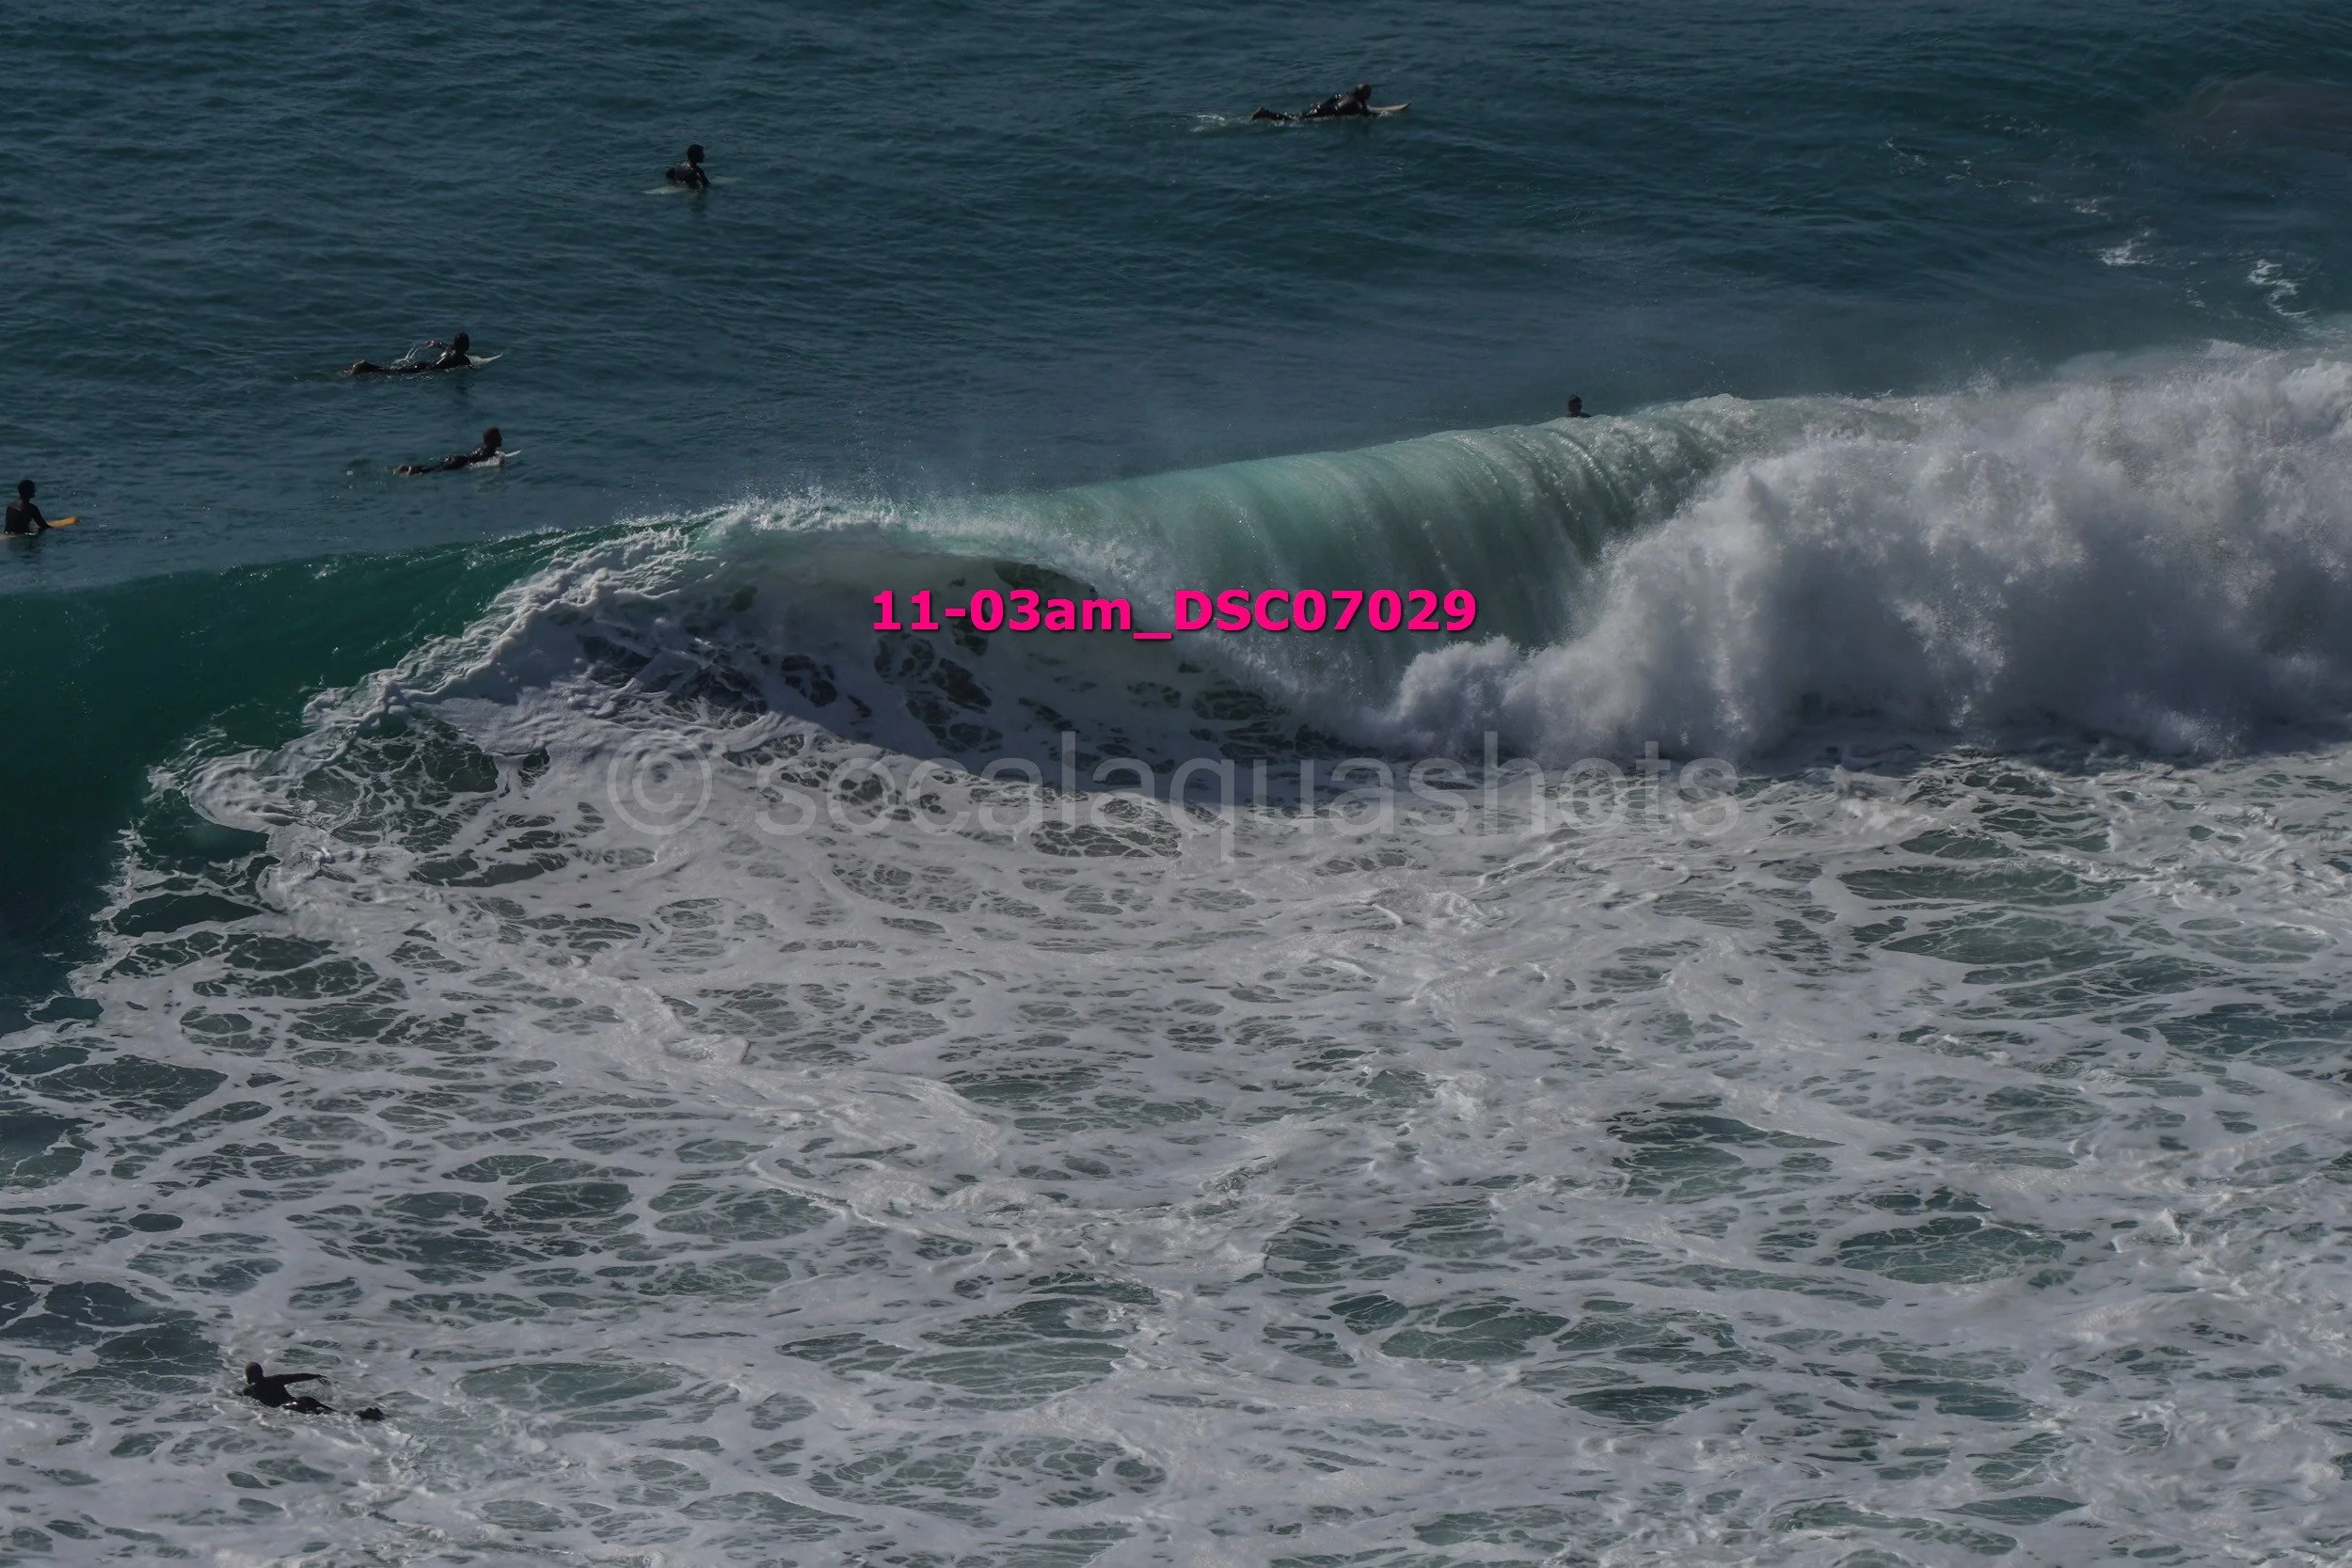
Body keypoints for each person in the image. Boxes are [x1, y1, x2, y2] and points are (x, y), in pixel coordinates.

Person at [240, 1362, 385, 1420]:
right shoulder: (274, 1379)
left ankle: (366, 1415)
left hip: (292, 1406)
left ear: (248, 1376)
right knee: (338, 1414)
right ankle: (366, 1414)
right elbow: (297, 1376)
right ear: (262, 1372)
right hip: (304, 1399)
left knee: (335, 1417)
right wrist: (316, 1376)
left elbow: (239, 1398)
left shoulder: (250, 1390)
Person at [350, 333, 477, 376]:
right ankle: (366, 367)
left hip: (422, 365)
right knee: (393, 373)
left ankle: (367, 367)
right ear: (465, 346)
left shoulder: (450, 349)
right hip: (425, 371)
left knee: (394, 371)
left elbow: (442, 344)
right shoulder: (463, 359)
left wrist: (434, 343)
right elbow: (473, 370)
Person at [395, 427, 504, 475]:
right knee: (434, 471)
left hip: (457, 458)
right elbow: (488, 459)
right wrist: (499, 462)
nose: (501, 439)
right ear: (492, 440)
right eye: (499, 437)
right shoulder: (489, 449)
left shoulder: (481, 446)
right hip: (460, 462)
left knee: (434, 467)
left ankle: (407, 468)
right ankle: (411, 470)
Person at [1253, 83, 1377, 123]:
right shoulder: (1358, 104)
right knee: (1295, 121)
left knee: (1297, 117)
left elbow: (1331, 100)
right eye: (1369, 93)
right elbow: (1367, 114)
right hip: (1324, 114)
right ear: (1364, 95)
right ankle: (1265, 114)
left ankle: (1266, 114)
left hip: (1321, 107)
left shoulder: (1344, 95)